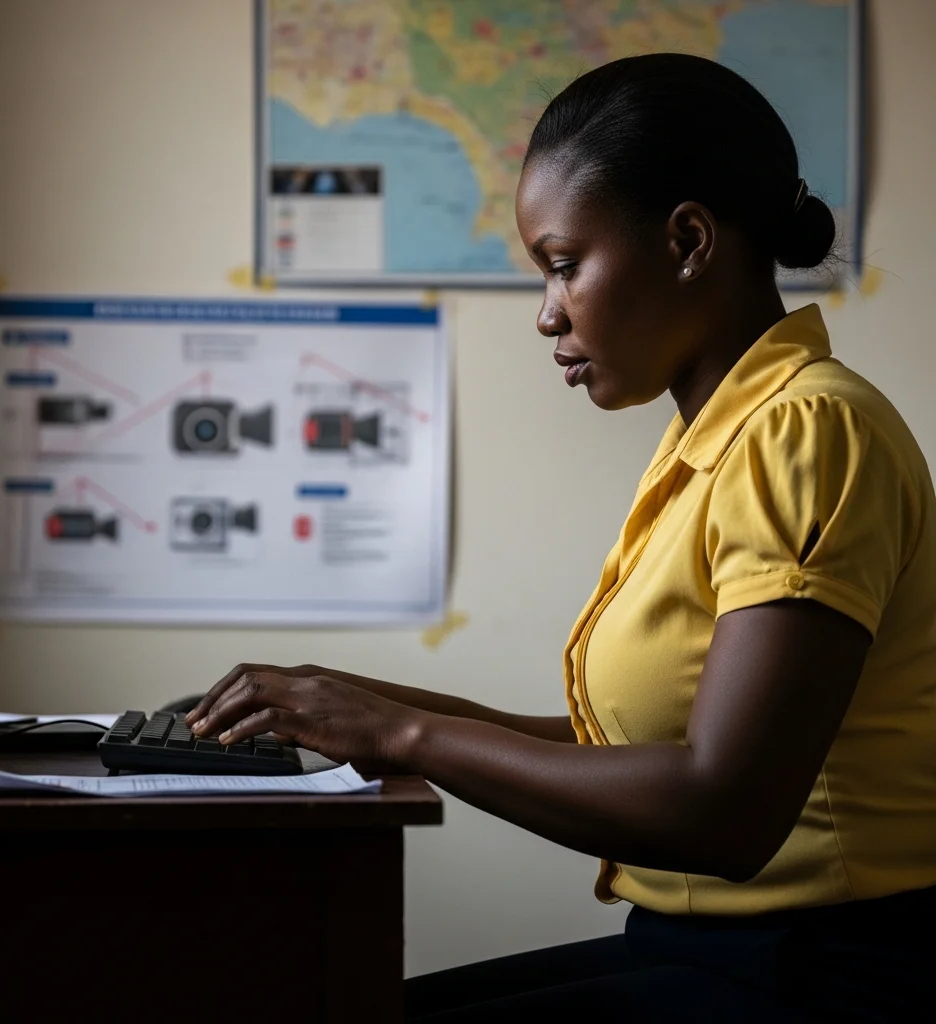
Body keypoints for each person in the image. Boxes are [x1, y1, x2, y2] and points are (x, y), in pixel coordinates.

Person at [187, 55, 936, 1021]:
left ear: (689, 241)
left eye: (564, 265)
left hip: (824, 971)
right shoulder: (717, 440)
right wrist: (350, 705)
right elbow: (614, 746)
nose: (548, 315)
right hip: (720, 947)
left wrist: (402, 733)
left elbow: (724, 809)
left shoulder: (806, 430)